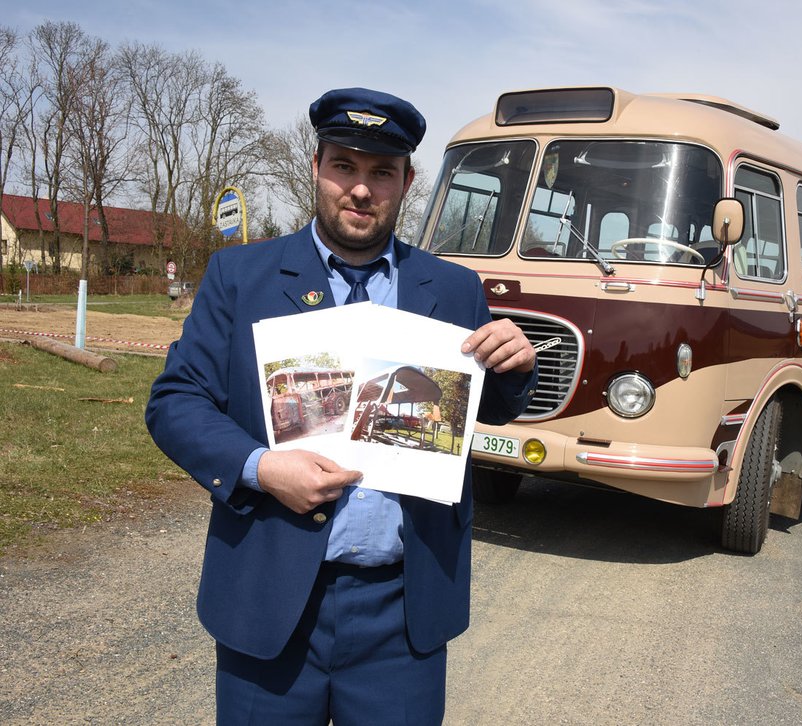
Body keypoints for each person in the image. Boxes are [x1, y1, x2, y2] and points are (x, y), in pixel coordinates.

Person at [145, 87, 537, 725]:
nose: (360, 190)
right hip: (271, 602)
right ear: (317, 166)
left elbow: (481, 405)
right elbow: (176, 400)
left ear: (407, 181)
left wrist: (515, 366)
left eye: (381, 172)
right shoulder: (239, 277)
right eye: (344, 167)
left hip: (401, 614)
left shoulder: (454, 288)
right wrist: (259, 468)